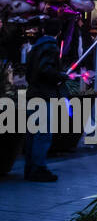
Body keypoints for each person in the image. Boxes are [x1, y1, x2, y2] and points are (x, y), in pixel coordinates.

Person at [20, 18, 66, 182]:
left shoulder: (36, 47)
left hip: (34, 93)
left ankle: (31, 167)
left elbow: (31, 71)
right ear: (59, 32)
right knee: (43, 133)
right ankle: (38, 168)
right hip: (44, 94)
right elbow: (45, 70)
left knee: (33, 133)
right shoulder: (51, 47)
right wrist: (60, 76)